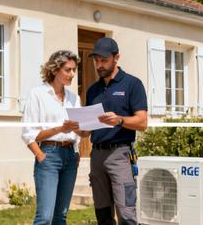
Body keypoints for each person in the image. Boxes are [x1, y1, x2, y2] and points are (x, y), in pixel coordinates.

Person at [81, 37, 148, 225]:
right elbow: (86, 132)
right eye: (96, 61)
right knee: (102, 214)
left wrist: (119, 120)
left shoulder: (133, 84)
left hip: (120, 155)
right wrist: (77, 128)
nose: (99, 65)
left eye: (104, 60)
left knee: (126, 214)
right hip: (97, 156)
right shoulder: (92, 90)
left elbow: (142, 122)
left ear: (116, 57)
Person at [21, 50, 83, 225]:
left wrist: (78, 147)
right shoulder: (37, 94)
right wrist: (40, 155)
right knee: (45, 217)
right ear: (55, 70)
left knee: (60, 216)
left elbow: (79, 132)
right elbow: (29, 133)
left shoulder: (74, 98)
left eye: (74, 70)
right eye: (68, 70)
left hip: (70, 156)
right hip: (48, 155)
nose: (72, 74)